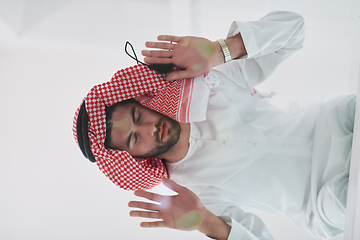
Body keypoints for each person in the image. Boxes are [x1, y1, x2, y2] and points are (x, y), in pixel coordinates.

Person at [73, 11, 354, 240]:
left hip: (340, 123)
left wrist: (221, 51)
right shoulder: (195, 194)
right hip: (325, 199)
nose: (148, 129)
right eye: (134, 139)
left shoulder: (212, 84)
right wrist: (206, 223)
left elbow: (295, 30)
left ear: (144, 101)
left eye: (137, 117)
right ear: (133, 159)